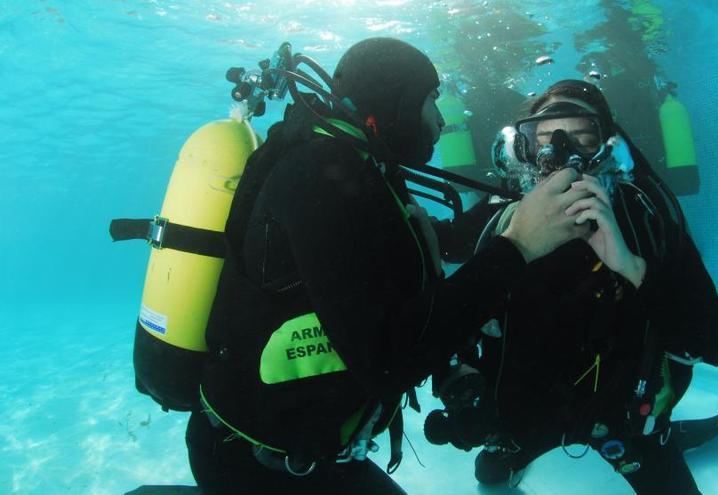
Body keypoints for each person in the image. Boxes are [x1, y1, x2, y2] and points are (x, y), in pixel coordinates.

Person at [185, 39, 599, 494]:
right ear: (396, 101)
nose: (440, 120)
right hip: (256, 466)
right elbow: (387, 360)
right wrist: (518, 245)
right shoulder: (319, 176)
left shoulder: (361, 166)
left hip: (312, 453)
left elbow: (405, 284)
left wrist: (451, 369)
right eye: (430, 101)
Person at [428, 79, 718, 494]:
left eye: (582, 137)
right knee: (490, 475)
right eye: (544, 138)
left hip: (621, 414)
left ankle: (653, 437)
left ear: (607, 148)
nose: (559, 154)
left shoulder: (641, 216)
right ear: (524, 148)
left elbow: (713, 342)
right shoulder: (505, 215)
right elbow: (441, 259)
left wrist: (630, 265)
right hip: (529, 413)